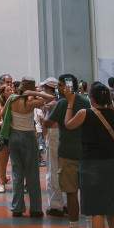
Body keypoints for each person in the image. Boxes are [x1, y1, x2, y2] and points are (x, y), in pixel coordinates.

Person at [64, 82, 114, 228]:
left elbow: (68, 125)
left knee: (97, 211)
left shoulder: (84, 113)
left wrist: (70, 103)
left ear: (92, 98)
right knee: (112, 211)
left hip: (91, 164)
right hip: (111, 163)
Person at [45, 73, 89, 228]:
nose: (59, 88)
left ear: (68, 86)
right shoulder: (86, 102)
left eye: (61, 85)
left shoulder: (62, 103)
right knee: (86, 192)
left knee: (71, 193)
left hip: (68, 153)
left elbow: (49, 123)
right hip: (85, 153)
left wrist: (44, 119)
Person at [1, 78, 54, 217]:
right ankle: (36, 209)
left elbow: (2, 114)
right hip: (29, 137)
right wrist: (36, 92)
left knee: (17, 173)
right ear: (31, 89)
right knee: (32, 173)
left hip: (13, 137)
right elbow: (51, 98)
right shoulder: (32, 102)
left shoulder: (11, 99)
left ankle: (17, 208)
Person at [38, 78, 64, 217]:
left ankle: (55, 205)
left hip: (54, 136)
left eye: (43, 88)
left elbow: (46, 124)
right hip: (60, 136)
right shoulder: (62, 102)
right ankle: (64, 203)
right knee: (62, 169)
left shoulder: (53, 104)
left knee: (53, 170)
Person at [0, 82, 13, 193]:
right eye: (8, 90)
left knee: (16, 161)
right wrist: (3, 122)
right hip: (4, 134)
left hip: (14, 134)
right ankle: (2, 184)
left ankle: (22, 184)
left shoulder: (15, 102)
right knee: (3, 161)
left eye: (11, 89)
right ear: (3, 93)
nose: (11, 92)